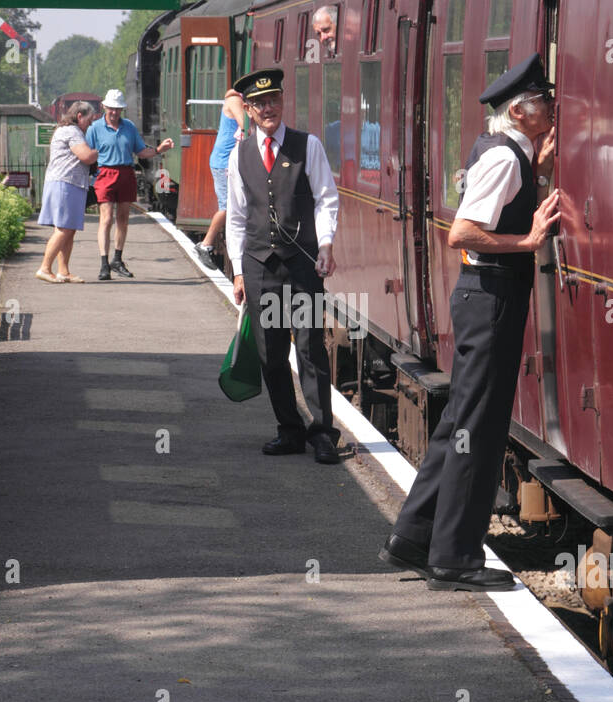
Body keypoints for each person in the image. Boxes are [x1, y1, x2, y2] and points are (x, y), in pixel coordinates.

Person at [380, 53, 561, 591]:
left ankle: (413, 537)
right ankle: (454, 557)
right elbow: (462, 231)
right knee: (474, 431)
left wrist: (539, 171)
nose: (552, 105)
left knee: (460, 421)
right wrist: (527, 242)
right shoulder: (507, 159)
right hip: (491, 297)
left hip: (484, 296)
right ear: (523, 111)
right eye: (544, 100)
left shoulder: (511, 153)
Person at [226, 68, 341, 465]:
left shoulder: (307, 145)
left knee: (310, 348)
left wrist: (325, 243)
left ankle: (323, 433)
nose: (268, 107)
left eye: (273, 99)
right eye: (259, 103)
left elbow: (327, 198)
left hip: (303, 264)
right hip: (260, 267)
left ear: (282, 101)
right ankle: (289, 430)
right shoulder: (239, 154)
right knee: (270, 353)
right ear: (249, 110)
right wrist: (239, 272)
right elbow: (237, 217)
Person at [85, 89, 174, 280]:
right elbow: (86, 154)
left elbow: (141, 151)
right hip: (105, 173)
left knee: (123, 218)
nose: (115, 113)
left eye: (118, 109)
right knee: (106, 218)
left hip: (126, 172)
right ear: (104, 107)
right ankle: (103, 263)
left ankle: (117, 259)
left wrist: (159, 149)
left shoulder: (129, 127)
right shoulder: (95, 129)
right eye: (111, 109)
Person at [35, 102, 99, 283]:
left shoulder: (68, 130)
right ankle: (45, 268)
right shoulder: (72, 131)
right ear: (79, 116)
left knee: (68, 229)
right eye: (89, 119)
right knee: (63, 229)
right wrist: (98, 151)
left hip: (68, 183)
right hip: (66, 183)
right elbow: (86, 156)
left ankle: (63, 271)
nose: (90, 124)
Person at [195, 88, 248, 270]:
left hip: (227, 160)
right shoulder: (234, 100)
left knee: (234, 205)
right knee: (227, 206)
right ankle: (205, 244)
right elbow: (245, 125)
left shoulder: (236, 100)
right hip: (225, 161)